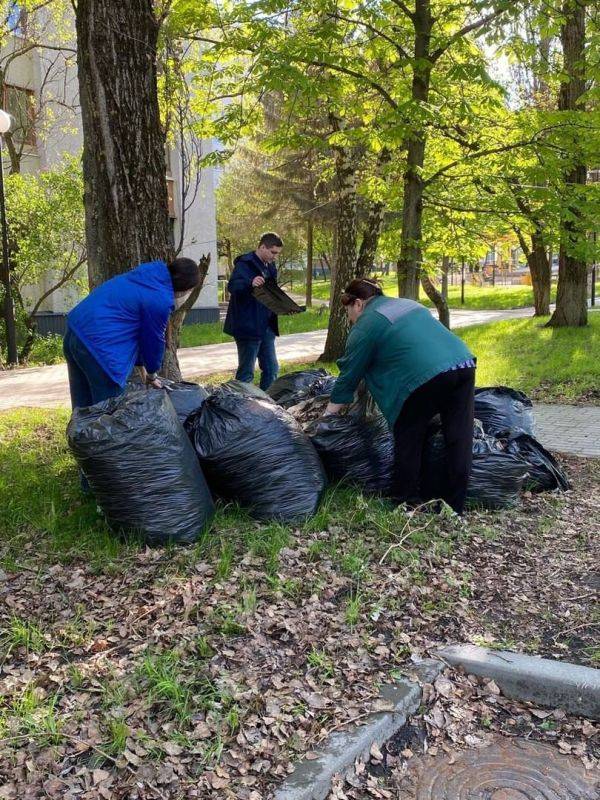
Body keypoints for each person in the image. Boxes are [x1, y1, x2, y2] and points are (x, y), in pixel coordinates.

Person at [325, 278, 476, 515]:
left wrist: (328, 416)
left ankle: (406, 501)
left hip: (426, 375)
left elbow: (348, 374)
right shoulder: (408, 304)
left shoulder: (366, 323)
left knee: (409, 435)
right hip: (463, 363)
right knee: (459, 437)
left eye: (348, 311)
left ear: (358, 303)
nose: (349, 318)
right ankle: (455, 506)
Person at [63, 257, 200, 410]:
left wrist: (142, 365)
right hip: (99, 348)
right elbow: (153, 341)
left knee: (82, 410)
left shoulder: (145, 276)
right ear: (185, 288)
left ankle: (78, 434)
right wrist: (152, 373)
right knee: (110, 415)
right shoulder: (159, 299)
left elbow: (138, 329)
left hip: (74, 334)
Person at [223, 232, 283, 391]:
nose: (275, 257)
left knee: (272, 369)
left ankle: (267, 406)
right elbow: (233, 287)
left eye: (277, 253)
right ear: (263, 247)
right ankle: (243, 408)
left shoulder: (270, 266)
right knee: (246, 373)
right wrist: (250, 282)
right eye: (273, 252)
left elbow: (270, 291)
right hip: (247, 326)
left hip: (267, 326)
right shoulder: (244, 263)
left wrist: (284, 305)